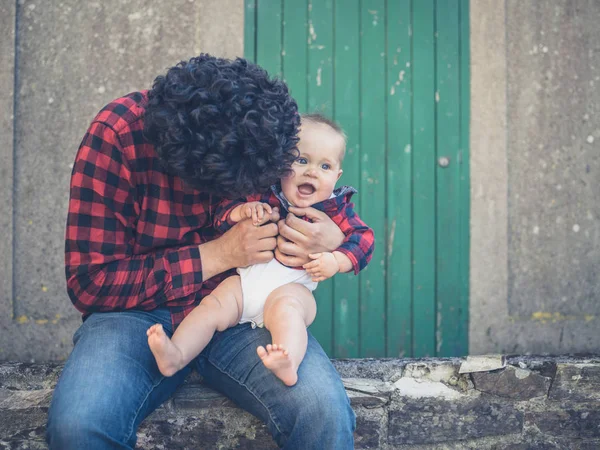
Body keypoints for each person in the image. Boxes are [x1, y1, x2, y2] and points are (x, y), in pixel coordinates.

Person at [46, 54, 356, 449]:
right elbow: (89, 282)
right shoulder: (118, 135)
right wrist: (217, 255)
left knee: (324, 412)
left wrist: (332, 239)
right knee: (79, 427)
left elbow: (320, 190)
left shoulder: (257, 126)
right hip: (137, 316)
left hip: (242, 311)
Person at [147, 114, 375, 386]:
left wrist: (337, 260)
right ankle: (176, 355)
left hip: (292, 286)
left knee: (287, 311)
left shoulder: (337, 208)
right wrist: (242, 211)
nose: (311, 172)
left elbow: (364, 239)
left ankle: (288, 362)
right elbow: (221, 215)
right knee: (210, 307)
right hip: (244, 283)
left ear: (337, 175)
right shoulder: (265, 193)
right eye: (301, 160)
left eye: (324, 166)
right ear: (281, 164)